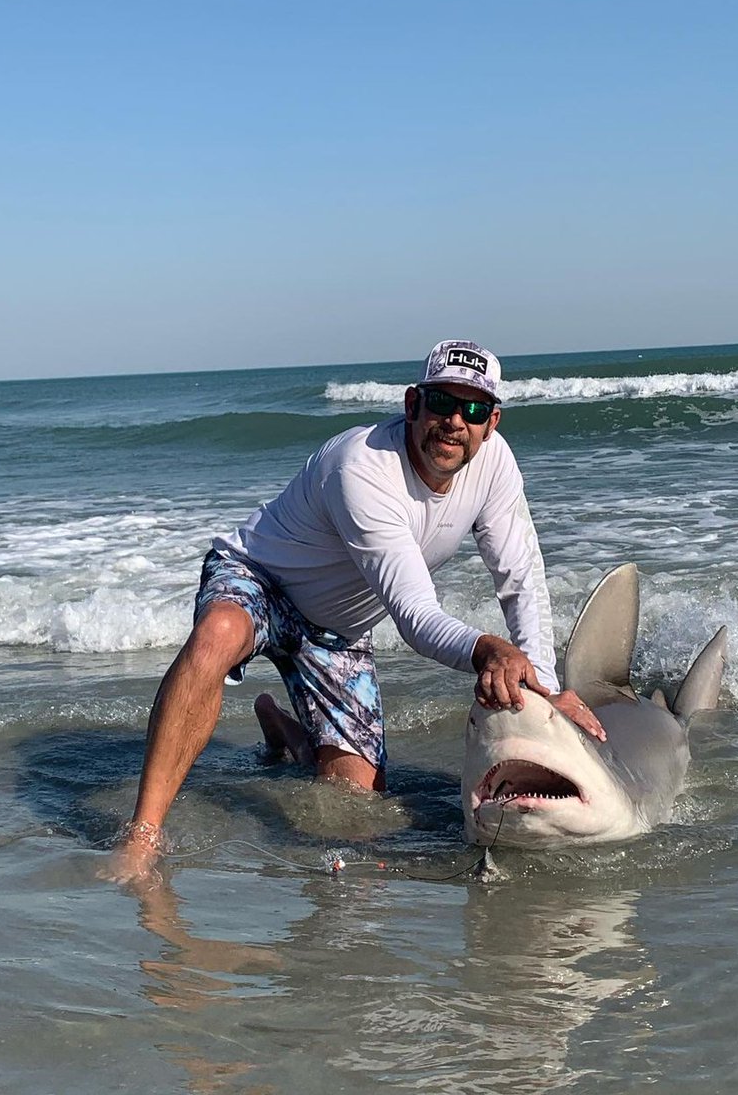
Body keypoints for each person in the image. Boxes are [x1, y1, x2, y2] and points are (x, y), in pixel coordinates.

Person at [107, 340, 605, 884]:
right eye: (441, 402)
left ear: (492, 422)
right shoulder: (363, 468)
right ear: (413, 403)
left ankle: (290, 732)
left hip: (336, 633)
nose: (455, 422)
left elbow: (521, 581)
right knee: (219, 632)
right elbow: (415, 615)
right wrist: (487, 649)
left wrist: (550, 691)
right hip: (259, 580)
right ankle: (143, 836)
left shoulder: (496, 467)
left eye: (474, 409)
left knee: (353, 803)